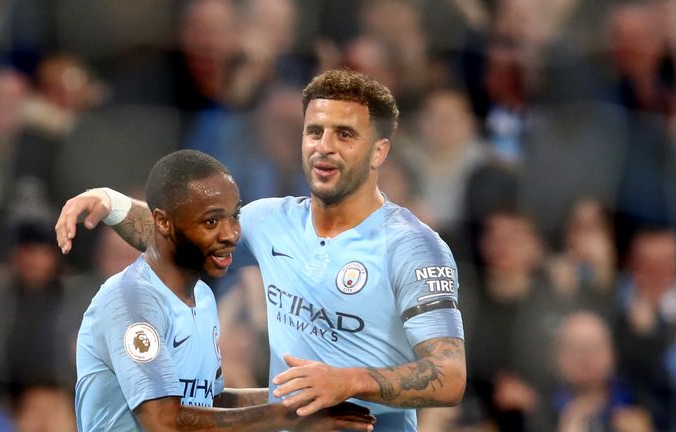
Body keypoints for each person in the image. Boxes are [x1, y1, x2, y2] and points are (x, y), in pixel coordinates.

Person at [57, 70, 467, 431]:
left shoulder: (413, 246)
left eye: (345, 134)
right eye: (314, 131)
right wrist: (113, 204)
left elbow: (449, 376)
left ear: (379, 150)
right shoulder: (271, 220)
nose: (324, 146)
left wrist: (349, 381)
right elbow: (183, 235)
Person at [73, 149, 376, 431]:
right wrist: (285, 416)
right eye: (212, 220)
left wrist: (305, 399)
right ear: (163, 223)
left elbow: (207, 404)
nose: (231, 234)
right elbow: (162, 420)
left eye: (234, 216)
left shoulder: (202, 296)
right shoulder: (131, 301)